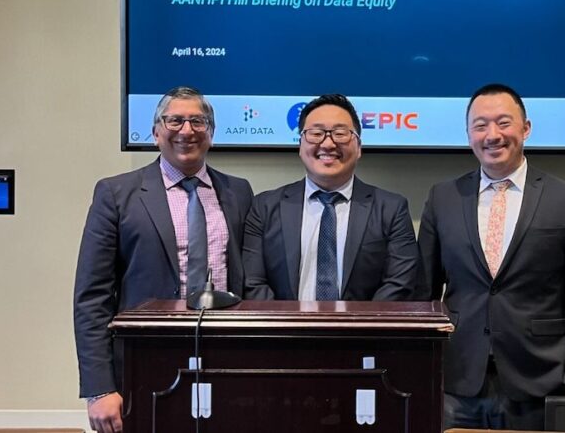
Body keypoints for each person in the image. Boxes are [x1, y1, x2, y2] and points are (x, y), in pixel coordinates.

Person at [417, 83, 565, 430]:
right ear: (468, 133)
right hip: (458, 378)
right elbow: (422, 293)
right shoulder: (443, 198)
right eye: (480, 125)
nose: (492, 135)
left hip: (540, 377)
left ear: (526, 128)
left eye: (504, 123)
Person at [73, 86, 254, 433]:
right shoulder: (116, 194)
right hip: (146, 360)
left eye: (198, 122)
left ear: (211, 134)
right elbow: (91, 297)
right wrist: (99, 388)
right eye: (174, 121)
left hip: (227, 357)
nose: (186, 131)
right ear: (156, 132)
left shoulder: (238, 192)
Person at [242, 94, 419, 301]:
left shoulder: (391, 208)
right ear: (300, 145)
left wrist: (352, 330)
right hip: (285, 331)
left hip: (366, 331)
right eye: (316, 133)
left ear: (359, 147)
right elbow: (253, 283)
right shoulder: (264, 207)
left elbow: (399, 284)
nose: (328, 144)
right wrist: (290, 328)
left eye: (340, 133)